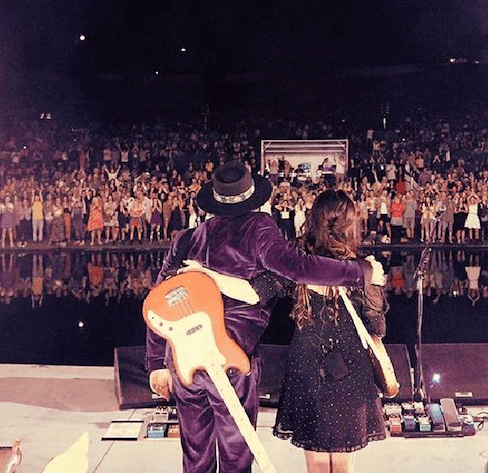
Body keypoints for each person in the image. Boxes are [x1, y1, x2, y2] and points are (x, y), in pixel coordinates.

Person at [146, 160, 384, 473]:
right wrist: (358, 272)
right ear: (253, 197)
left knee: (195, 454)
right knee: (235, 454)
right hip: (231, 359)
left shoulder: (186, 240)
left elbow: (159, 302)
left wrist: (155, 365)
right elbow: (299, 267)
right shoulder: (258, 229)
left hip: (183, 361)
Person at [273, 189, 388, 473]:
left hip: (307, 364)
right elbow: (378, 328)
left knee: (316, 460)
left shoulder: (295, 263)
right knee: (343, 463)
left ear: (313, 221)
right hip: (350, 367)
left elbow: (256, 292)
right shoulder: (366, 270)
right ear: (350, 225)